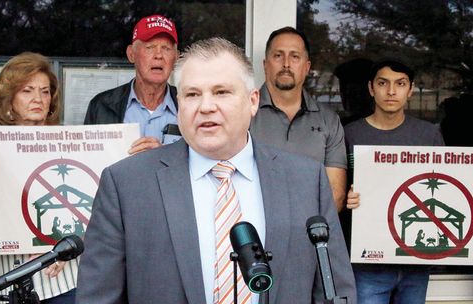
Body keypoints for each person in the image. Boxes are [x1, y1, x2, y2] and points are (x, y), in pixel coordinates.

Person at [76, 37, 356, 303]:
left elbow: (334, 291)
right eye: (192, 94)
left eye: (221, 92)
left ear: (253, 101)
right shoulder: (126, 184)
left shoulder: (306, 181)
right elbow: (99, 296)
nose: (206, 107)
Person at [344, 59, 444, 303]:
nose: (391, 91)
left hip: (415, 260)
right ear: (371, 88)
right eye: (383, 83)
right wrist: (346, 197)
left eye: (400, 84)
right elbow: (335, 188)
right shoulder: (350, 133)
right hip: (368, 262)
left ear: (410, 90)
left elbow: (442, 191)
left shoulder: (428, 134)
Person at [0, 52, 76, 303]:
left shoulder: (73, 144)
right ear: (9, 100)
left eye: (45, 91)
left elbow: (93, 208)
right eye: (28, 90)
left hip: (63, 281)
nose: (38, 98)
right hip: (9, 282)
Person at [249, 27, 347, 211]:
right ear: (265, 64)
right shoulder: (243, 114)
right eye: (278, 55)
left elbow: (336, 195)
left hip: (310, 234)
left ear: (307, 67)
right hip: (256, 234)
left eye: (295, 56)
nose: (286, 64)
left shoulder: (328, 120)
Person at [84, 14, 180, 154]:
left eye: (166, 48)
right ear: (131, 54)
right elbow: (90, 160)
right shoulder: (101, 105)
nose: (158, 55)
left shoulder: (190, 104)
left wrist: (163, 156)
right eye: (150, 47)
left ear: (176, 58)